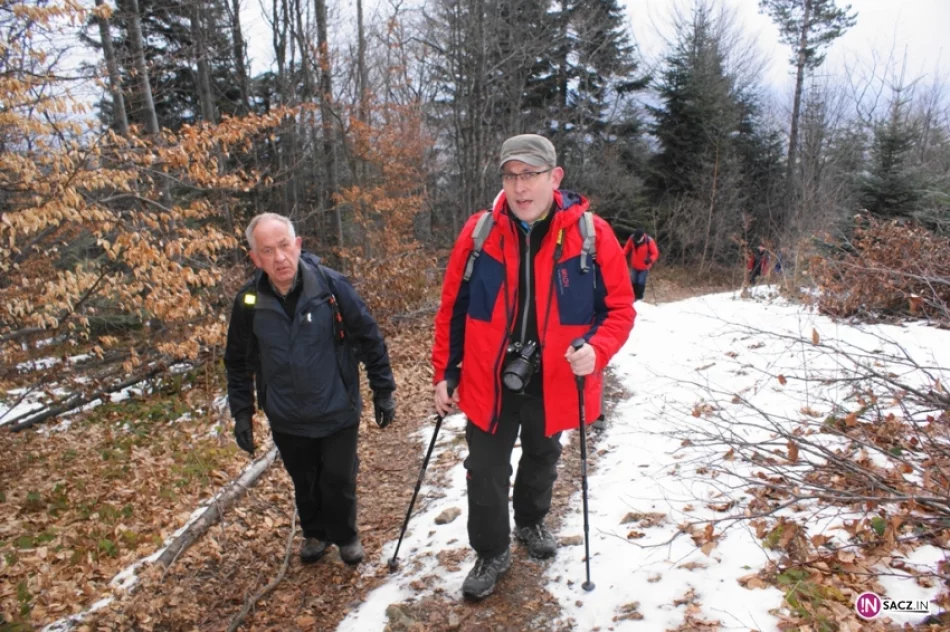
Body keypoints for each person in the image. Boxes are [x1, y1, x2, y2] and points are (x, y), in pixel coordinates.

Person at [432, 134, 635, 600]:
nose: (520, 188)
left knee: (543, 458)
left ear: (554, 177)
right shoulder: (480, 232)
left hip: (557, 378)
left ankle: (530, 521)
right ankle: (491, 550)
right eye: (511, 176)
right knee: (484, 469)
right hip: (489, 378)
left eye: (531, 175)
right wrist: (446, 371)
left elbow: (620, 309)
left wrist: (597, 350)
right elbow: (453, 308)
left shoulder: (590, 234)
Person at [224, 212, 396, 567]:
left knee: (337, 477)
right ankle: (315, 532)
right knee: (304, 479)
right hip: (286, 414)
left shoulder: (331, 287)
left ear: (298, 245)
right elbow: (238, 362)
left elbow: (368, 336)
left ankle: (346, 535)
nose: (279, 258)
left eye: (284, 246)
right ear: (255, 258)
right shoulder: (248, 303)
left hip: (337, 407)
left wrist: (384, 389)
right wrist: (242, 412)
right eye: (267, 251)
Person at [623, 228, 659, 301]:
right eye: (636, 239)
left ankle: (639, 298)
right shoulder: (632, 238)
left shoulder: (649, 241)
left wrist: (650, 260)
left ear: (643, 236)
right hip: (634, 265)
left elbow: (655, 253)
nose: (637, 241)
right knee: (633, 281)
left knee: (640, 282)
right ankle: (633, 297)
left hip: (644, 266)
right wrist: (622, 255)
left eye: (638, 239)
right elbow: (627, 248)